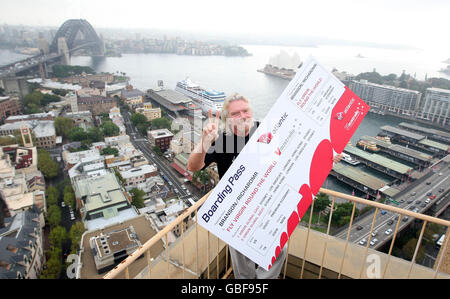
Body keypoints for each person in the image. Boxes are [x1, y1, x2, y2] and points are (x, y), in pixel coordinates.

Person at [187, 93, 342, 279]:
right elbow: (193, 166)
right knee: (240, 255)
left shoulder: (266, 130)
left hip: (268, 205)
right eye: (236, 113)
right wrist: (204, 140)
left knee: (278, 250)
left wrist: (327, 159)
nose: (243, 116)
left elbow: (298, 156)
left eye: (245, 110)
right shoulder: (220, 139)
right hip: (236, 209)